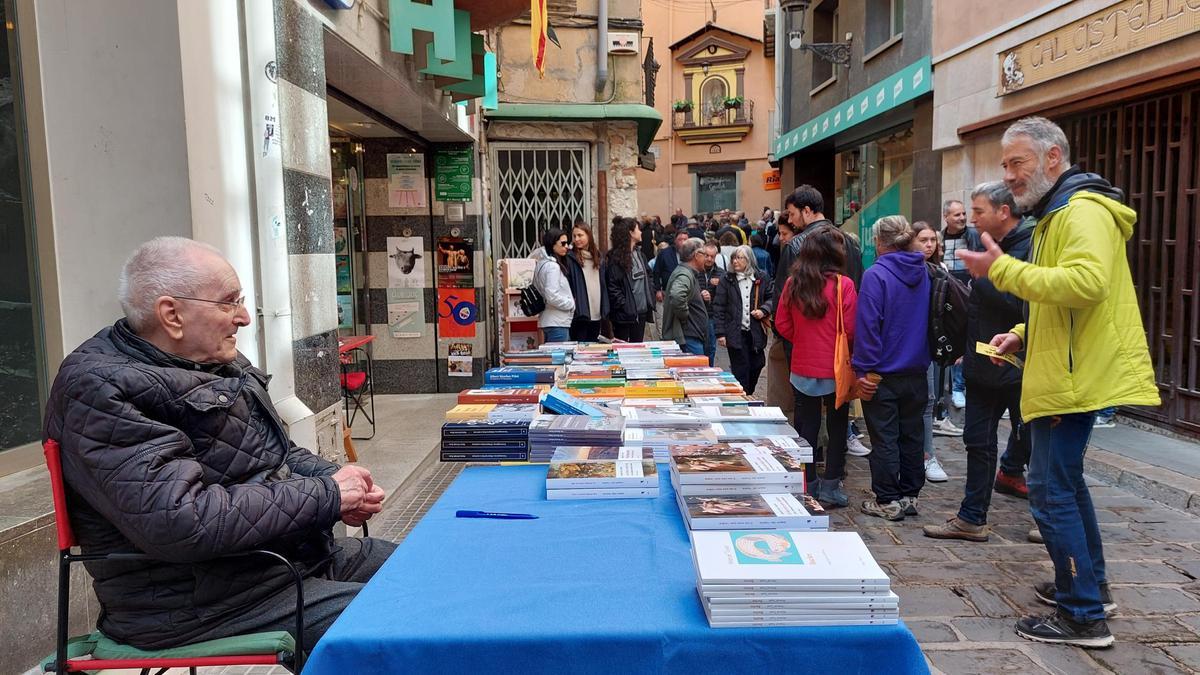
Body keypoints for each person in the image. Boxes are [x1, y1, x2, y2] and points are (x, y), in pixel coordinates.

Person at [42, 237, 393, 652]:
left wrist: (335, 480)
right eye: (229, 302)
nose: (243, 317)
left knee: (433, 570)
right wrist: (326, 495)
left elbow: (276, 455)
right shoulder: (99, 388)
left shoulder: (215, 358)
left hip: (280, 562)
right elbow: (181, 520)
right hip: (201, 603)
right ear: (172, 314)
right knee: (398, 621)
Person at [960, 117, 1159, 648]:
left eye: (1017, 163)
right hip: (1064, 370)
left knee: (1050, 494)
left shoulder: (1080, 211)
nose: (1009, 176)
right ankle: (1090, 589)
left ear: (1052, 158)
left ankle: (1082, 614)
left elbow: (1086, 284)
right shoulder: (1059, 213)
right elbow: (1063, 300)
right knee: (1064, 486)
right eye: (1005, 165)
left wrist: (1001, 271)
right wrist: (1022, 335)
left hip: (1071, 378)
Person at [925, 181, 1034, 543]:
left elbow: (1032, 303)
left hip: (1019, 367)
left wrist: (989, 276)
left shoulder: (1031, 246)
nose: (971, 220)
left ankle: (1050, 520)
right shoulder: (988, 243)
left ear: (1004, 212)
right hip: (982, 363)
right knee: (977, 441)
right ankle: (972, 518)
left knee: (1032, 442)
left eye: (978, 211)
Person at [853, 216, 931, 521]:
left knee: (884, 438)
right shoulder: (923, 271)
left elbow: (869, 326)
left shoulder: (876, 275)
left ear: (879, 241)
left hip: (882, 372)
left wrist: (864, 371)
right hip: (916, 369)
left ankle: (887, 499)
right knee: (911, 436)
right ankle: (910, 494)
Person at [774, 229, 857, 508]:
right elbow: (853, 328)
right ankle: (831, 484)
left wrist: (803, 340)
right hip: (836, 369)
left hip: (802, 366)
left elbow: (782, 324)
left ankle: (808, 481)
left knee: (806, 428)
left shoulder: (793, 283)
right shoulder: (843, 285)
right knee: (837, 428)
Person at [909, 221, 956, 483]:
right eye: (923, 240)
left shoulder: (941, 271)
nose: (929, 245)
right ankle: (911, 456)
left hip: (932, 344)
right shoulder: (908, 270)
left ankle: (928, 455)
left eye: (932, 240)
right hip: (910, 345)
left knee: (929, 400)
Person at [713, 245, 773, 395]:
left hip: (756, 331)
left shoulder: (761, 278)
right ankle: (743, 397)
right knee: (741, 368)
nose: (735, 261)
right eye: (733, 258)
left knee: (758, 364)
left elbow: (772, 298)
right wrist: (720, 333)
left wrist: (763, 310)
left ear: (749, 260)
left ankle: (748, 392)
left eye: (739, 258)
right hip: (735, 332)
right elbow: (719, 306)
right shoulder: (727, 279)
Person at [941, 199, 976, 410]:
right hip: (949, 298)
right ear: (946, 217)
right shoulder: (940, 238)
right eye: (957, 215)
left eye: (964, 213)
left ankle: (962, 387)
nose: (962, 218)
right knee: (955, 340)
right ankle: (956, 388)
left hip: (971, 295)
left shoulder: (973, 236)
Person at [605, 217, 654, 342]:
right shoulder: (616, 258)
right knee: (624, 351)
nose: (641, 232)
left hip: (641, 313)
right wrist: (625, 306)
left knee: (637, 350)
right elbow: (613, 287)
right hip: (625, 316)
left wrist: (650, 296)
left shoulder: (640, 255)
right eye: (638, 229)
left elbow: (649, 276)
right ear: (631, 233)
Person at [663, 238, 708, 355]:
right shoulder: (685, 274)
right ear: (697, 255)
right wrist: (684, 315)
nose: (707, 259)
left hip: (690, 337)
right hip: (688, 338)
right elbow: (677, 296)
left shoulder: (687, 273)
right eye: (705, 255)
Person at [565, 222, 608, 342]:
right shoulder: (570, 258)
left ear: (588, 235)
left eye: (580, 235)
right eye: (574, 236)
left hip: (597, 312)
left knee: (593, 348)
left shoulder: (598, 258)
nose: (577, 239)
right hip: (580, 313)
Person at [534, 228, 576, 344]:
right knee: (559, 359)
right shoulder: (553, 267)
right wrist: (571, 304)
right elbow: (551, 295)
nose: (566, 246)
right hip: (557, 322)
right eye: (563, 243)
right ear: (553, 245)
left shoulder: (542, 263)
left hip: (550, 320)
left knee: (554, 358)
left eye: (567, 243)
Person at [698, 241, 726, 366]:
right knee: (697, 347)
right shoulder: (696, 270)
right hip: (697, 314)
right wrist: (700, 293)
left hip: (711, 315)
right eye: (707, 255)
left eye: (712, 256)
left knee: (710, 347)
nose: (709, 259)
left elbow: (726, 294)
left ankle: (709, 369)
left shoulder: (721, 273)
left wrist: (720, 284)